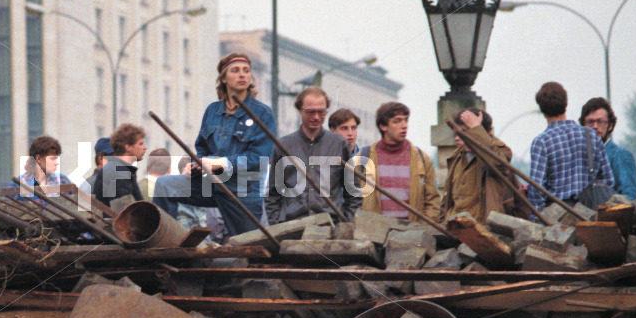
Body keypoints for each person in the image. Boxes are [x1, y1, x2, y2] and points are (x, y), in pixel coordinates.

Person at [153, 52, 275, 237]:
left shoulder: (262, 113)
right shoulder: (212, 111)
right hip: (211, 185)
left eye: (246, 71)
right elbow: (202, 148)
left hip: (243, 192)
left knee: (250, 247)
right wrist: (196, 165)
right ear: (224, 78)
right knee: (164, 184)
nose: (242, 75)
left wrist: (220, 163)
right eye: (235, 70)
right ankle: (164, 239)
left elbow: (259, 157)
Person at [266, 87, 360, 224]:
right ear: (300, 110)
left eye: (321, 112)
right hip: (292, 228)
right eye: (310, 112)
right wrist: (277, 226)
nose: (316, 117)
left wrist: (345, 223)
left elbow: (353, 193)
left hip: (330, 229)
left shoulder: (339, 144)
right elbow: (272, 194)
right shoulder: (283, 145)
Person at [528, 82, 614, 211]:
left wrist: (537, 217)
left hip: (559, 217)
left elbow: (536, 190)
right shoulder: (590, 135)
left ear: (542, 110)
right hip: (592, 215)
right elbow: (608, 179)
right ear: (566, 104)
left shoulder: (542, 142)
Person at [356, 101, 441, 222]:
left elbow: (433, 200)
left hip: (411, 234)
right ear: (383, 126)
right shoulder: (364, 157)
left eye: (406, 120)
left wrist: (423, 227)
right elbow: (352, 198)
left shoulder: (422, 159)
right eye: (397, 121)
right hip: (374, 233)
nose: (404, 125)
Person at [440, 108, 514, 222]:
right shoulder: (457, 156)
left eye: (469, 131)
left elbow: (497, 164)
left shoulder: (500, 152)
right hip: (455, 230)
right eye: (461, 132)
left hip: (482, 231)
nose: (461, 137)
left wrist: (476, 128)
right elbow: (447, 201)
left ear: (485, 133)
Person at [579, 97, 636, 200]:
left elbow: (630, 197)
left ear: (610, 125)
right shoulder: (578, 157)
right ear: (583, 125)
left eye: (600, 122)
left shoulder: (620, 155)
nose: (595, 126)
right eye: (590, 122)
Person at [92, 123, 146, 207]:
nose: (145, 147)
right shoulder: (117, 173)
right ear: (128, 147)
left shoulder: (118, 170)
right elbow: (125, 212)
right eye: (140, 144)